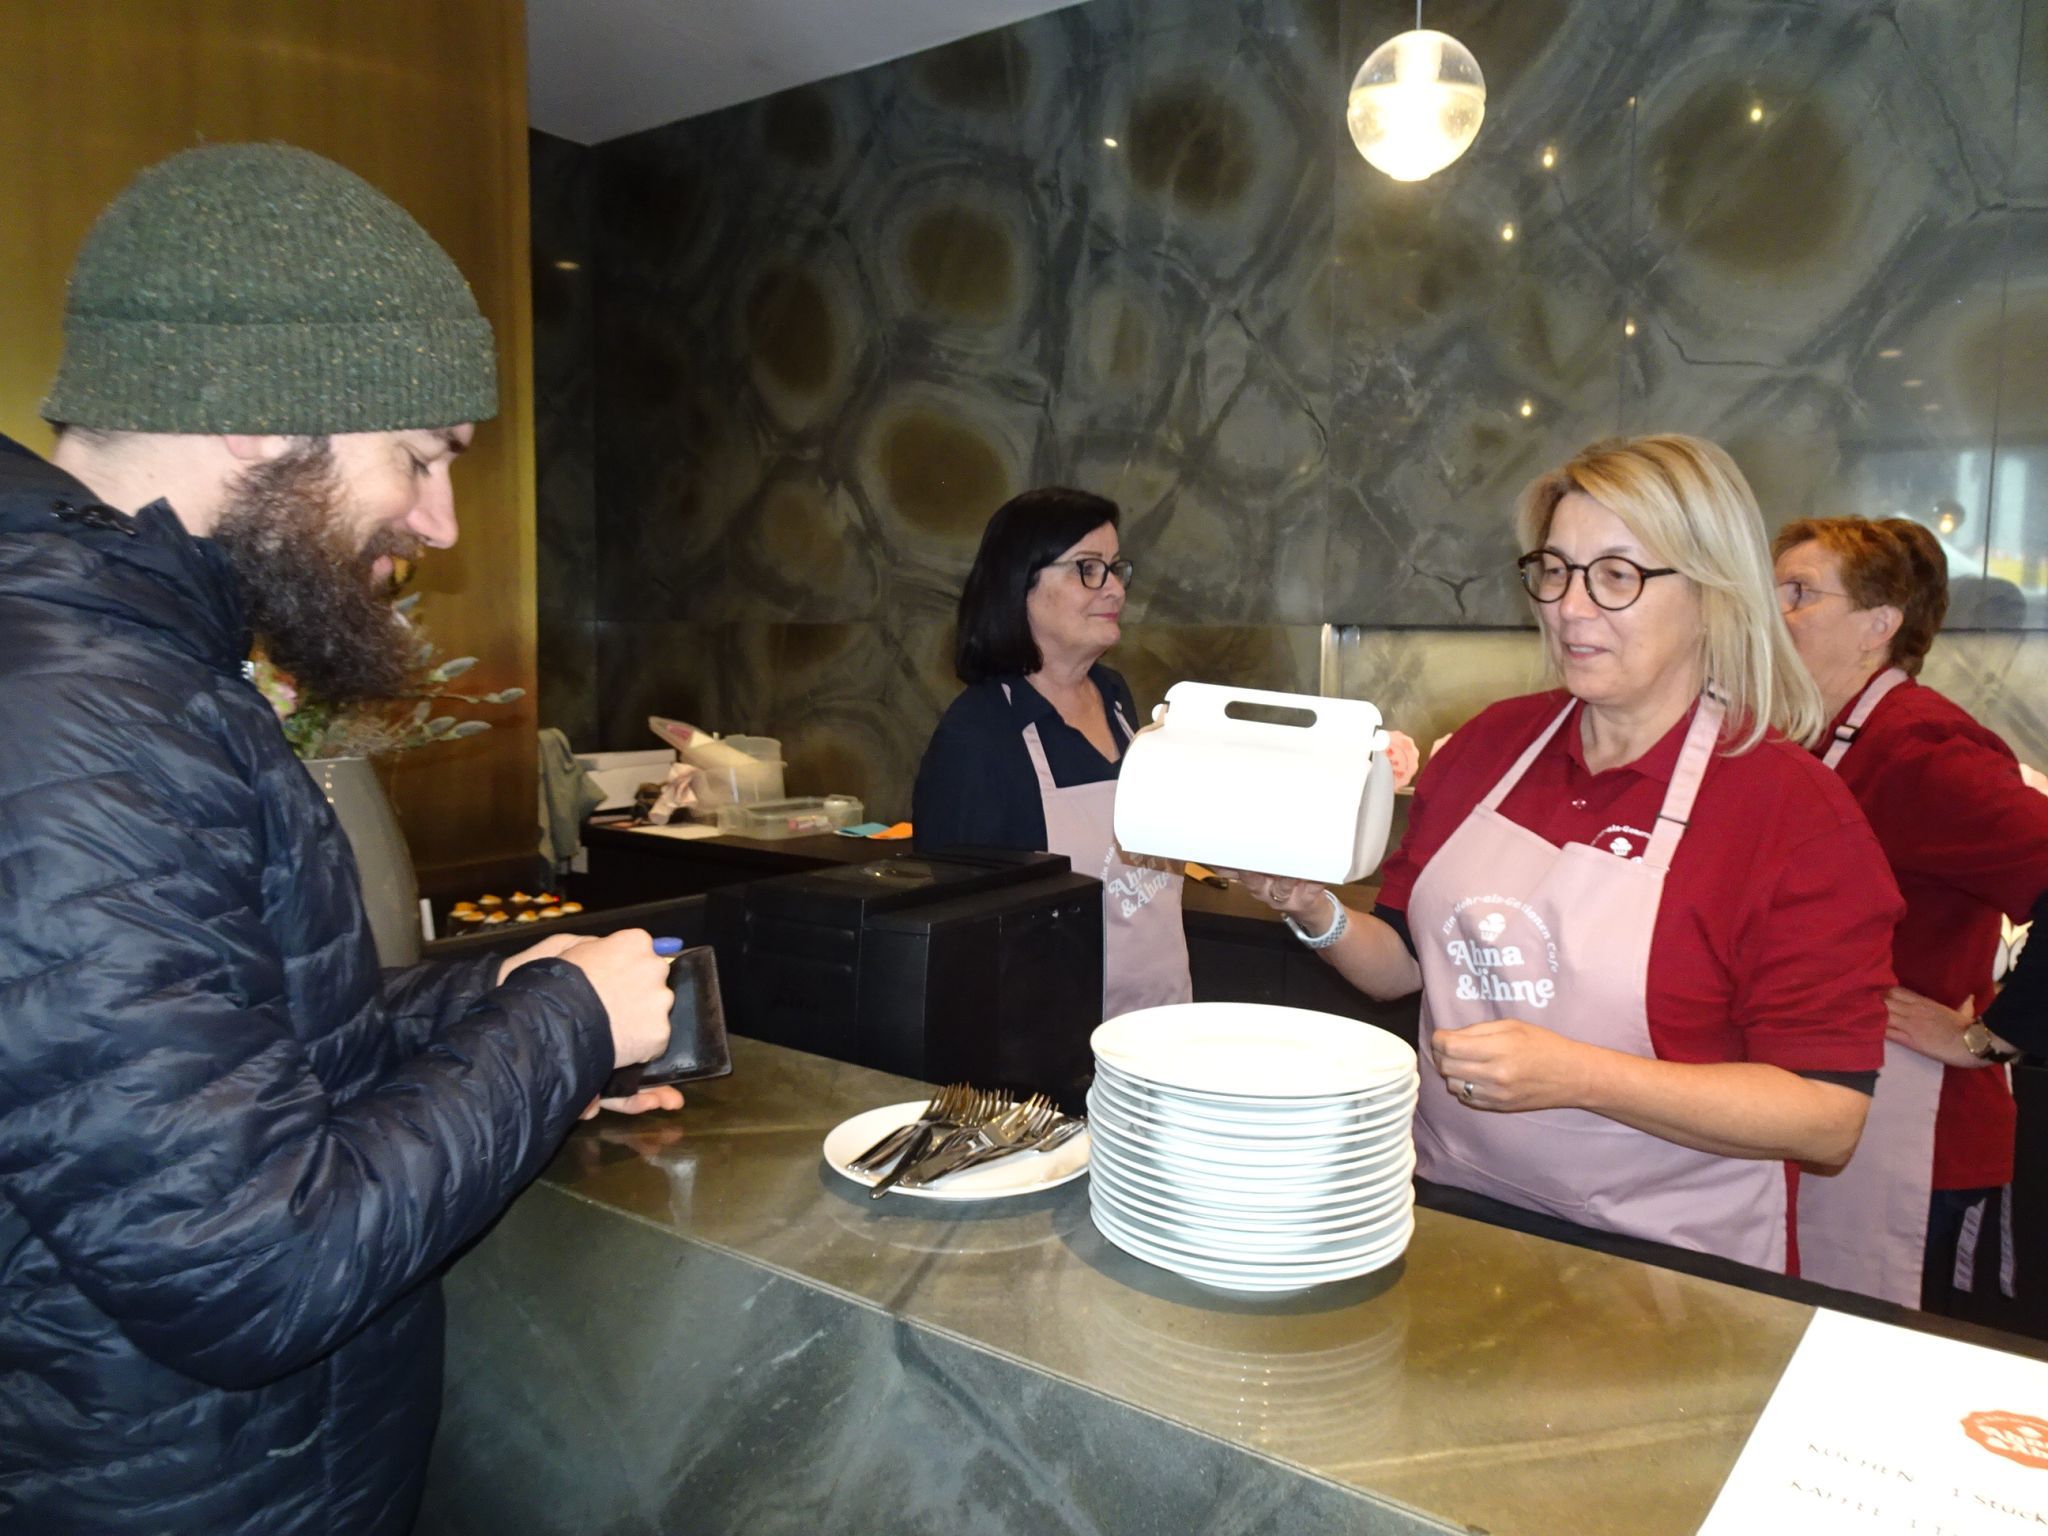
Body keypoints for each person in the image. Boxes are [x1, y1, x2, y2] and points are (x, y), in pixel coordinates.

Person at [0, 144, 680, 1535]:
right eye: (419, 454)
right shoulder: (76, 715)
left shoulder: (135, 672)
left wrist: (481, 1014)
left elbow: (239, 1061)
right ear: (262, 409)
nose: (431, 522)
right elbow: (249, 1266)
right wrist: (559, 1024)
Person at [1236, 435, 1904, 1274]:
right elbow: (1407, 966)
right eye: (1555, 571)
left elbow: (1825, 1118)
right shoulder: (1489, 746)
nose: (1570, 609)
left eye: (1617, 577)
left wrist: (1582, 1076)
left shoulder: (1791, 814)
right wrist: (1312, 906)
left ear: (1711, 593)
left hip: (1671, 1266)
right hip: (1451, 1209)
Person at [1775, 516, 2048, 1310]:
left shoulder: (1921, 751)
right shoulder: (1813, 737)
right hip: (1822, 1108)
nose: (1771, 612)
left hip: (1920, 1144)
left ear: (1878, 625)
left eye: (1799, 593)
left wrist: (1991, 1036)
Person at [913, 487, 1191, 1020]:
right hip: (1051, 1051)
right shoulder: (980, 734)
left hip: (1160, 1026)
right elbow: (955, 934)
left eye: (1114, 568)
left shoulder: (1115, 698)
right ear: (1020, 584)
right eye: (1087, 568)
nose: (1113, 589)